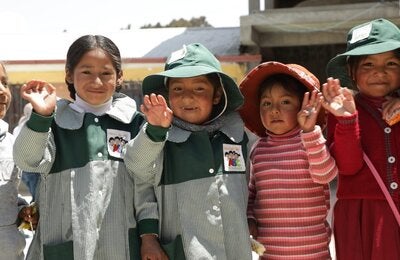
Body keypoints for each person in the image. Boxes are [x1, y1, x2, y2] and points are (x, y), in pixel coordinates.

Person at [13, 35, 145, 260]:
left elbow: (146, 185)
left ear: (119, 77)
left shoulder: (135, 124)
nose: (97, 82)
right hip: (66, 248)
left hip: (121, 247)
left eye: (106, 73)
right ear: (68, 74)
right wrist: (41, 117)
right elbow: (27, 160)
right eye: (86, 72)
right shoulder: (52, 122)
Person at [124, 43, 253, 259]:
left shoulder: (237, 136)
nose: (187, 97)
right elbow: (137, 168)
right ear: (167, 95)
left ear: (217, 95)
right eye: (177, 89)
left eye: (199, 88)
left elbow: (251, 186)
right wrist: (149, 237)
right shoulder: (157, 136)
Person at [239, 61, 338, 259]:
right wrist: (250, 218)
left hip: (314, 252)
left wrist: (309, 131)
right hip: (271, 253)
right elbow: (252, 192)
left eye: (285, 102)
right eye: (266, 103)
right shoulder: (258, 149)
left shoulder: (311, 141)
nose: (274, 110)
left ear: (303, 106)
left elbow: (326, 174)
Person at [324, 18, 400, 259]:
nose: (380, 72)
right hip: (359, 215)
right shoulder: (341, 110)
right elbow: (348, 166)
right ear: (351, 71)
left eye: (391, 63)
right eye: (368, 64)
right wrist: (347, 121)